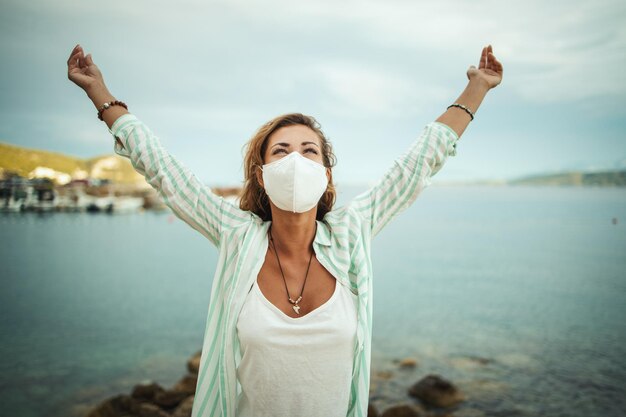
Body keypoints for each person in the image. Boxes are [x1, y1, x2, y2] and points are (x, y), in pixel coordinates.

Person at [67, 43, 503, 417]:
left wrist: (477, 86)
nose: (296, 160)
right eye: (281, 150)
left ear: (328, 175)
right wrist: (100, 94)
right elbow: (162, 169)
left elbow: (421, 161)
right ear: (260, 175)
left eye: (309, 150)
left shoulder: (352, 232)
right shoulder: (237, 236)